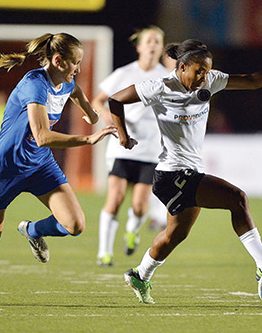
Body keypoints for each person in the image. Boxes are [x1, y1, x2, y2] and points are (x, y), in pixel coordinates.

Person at [108, 39, 262, 304]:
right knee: (237, 198)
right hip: (172, 175)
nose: (203, 78)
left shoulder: (209, 81)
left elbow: (253, 80)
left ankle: (140, 274)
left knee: (175, 235)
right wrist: (123, 136)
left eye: (207, 72)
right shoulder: (160, 87)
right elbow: (115, 100)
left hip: (189, 171)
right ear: (182, 67)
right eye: (198, 72)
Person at [0, 32, 117, 306]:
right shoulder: (34, 84)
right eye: (75, 63)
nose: (78, 69)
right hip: (5, 167)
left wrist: (93, 113)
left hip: (40, 164)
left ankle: (32, 231)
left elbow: (75, 91)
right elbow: (43, 136)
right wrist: (88, 138)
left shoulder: (65, 82)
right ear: (58, 60)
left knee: (75, 224)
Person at [91, 26, 170, 267]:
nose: (153, 45)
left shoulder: (166, 76)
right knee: (114, 199)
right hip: (121, 147)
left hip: (150, 149)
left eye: (157, 41)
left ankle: (132, 230)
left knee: (139, 206)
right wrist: (104, 113)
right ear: (139, 47)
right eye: (149, 41)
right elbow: (97, 100)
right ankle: (104, 252)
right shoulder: (124, 73)